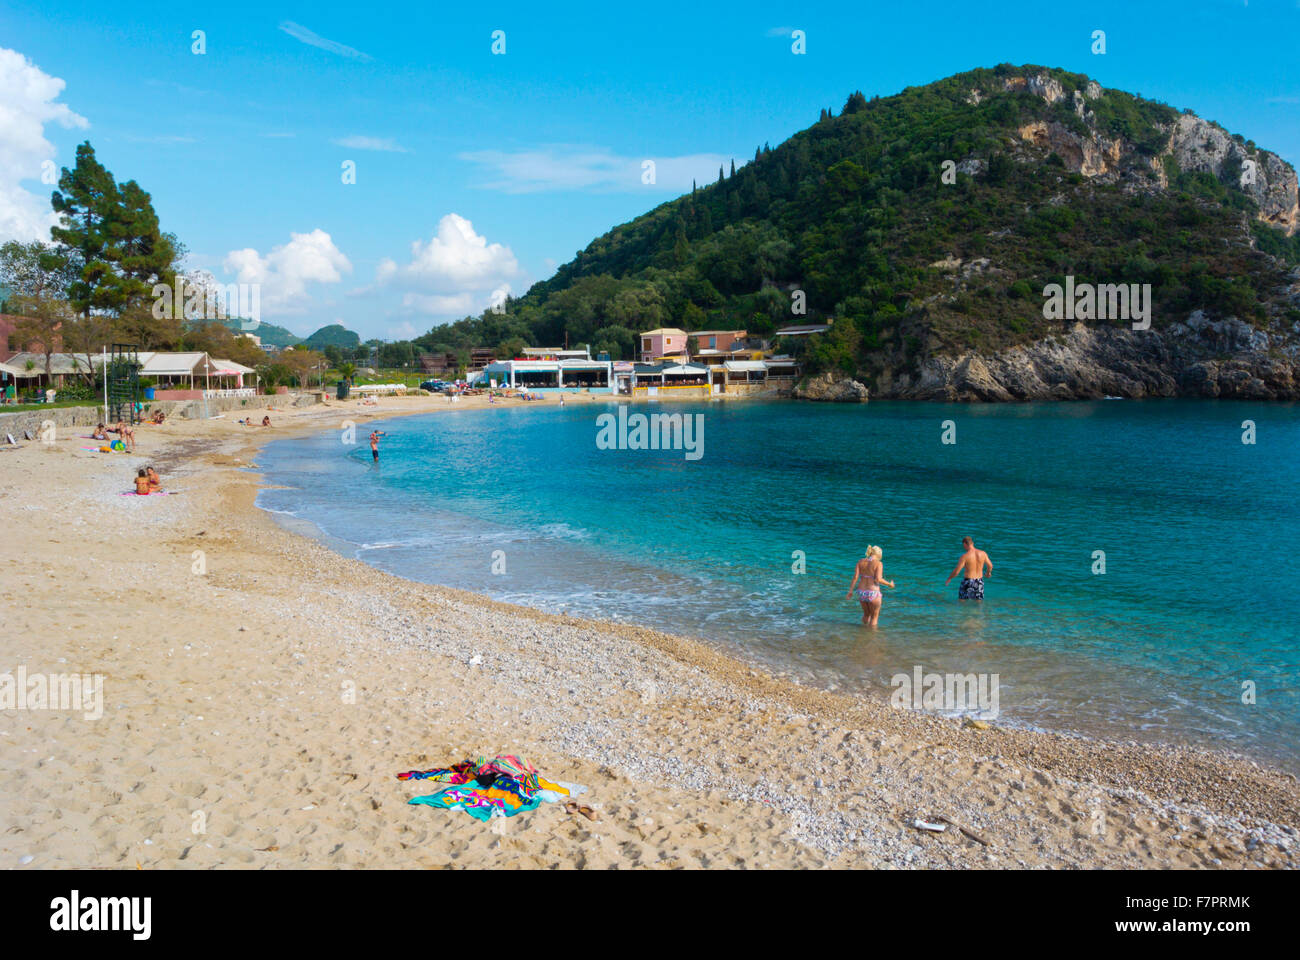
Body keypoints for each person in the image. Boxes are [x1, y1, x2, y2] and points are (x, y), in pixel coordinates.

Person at [846, 544, 896, 628]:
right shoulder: (878, 563)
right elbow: (878, 579)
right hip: (873, 592)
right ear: (879, 554)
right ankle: (871, 637)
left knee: (866, 614)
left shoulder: (860, 561)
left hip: (861, 592)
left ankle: (862, 631)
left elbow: (855, 577)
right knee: (874, 617)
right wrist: (889, 584)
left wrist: (850, 591)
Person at [945, 536, 993, 601]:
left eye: (963, 545)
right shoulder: (983, 553)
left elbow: (957, 571)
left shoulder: (965, 556)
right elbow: (990, 565)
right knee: (978, 602)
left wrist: (949, 578)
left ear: (965, 544)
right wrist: (988, 573)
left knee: (962, 601)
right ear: (972, 543)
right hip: (979, 581)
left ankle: (961, 611)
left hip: (968, 581)